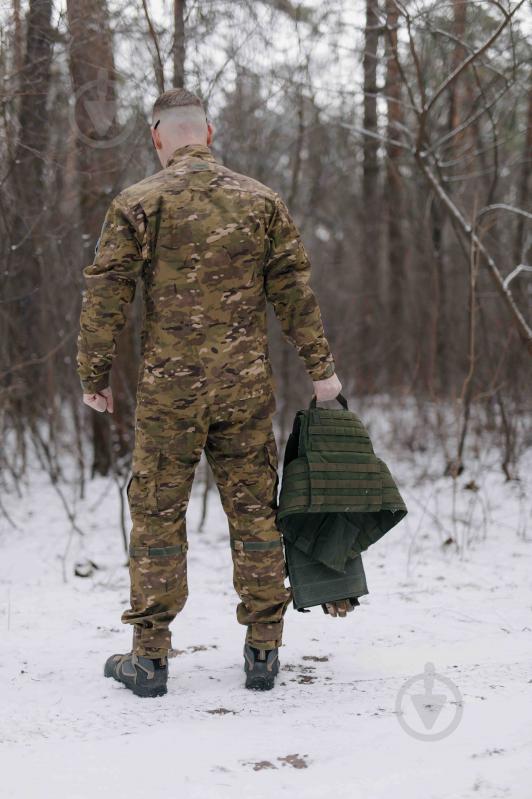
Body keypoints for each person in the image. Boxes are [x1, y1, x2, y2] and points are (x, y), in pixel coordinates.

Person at [77, 87, 350, 698]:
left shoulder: (138, 202)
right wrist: (321, 370)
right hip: (243, 390)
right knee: (254, 511)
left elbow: (107, 293)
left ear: (156, 138)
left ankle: (149, 659)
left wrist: (93, 375)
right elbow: (295, 293)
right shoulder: (258, 200)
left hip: (168, 394)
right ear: (209, 132)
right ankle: (263, 651)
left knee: (155, 514)